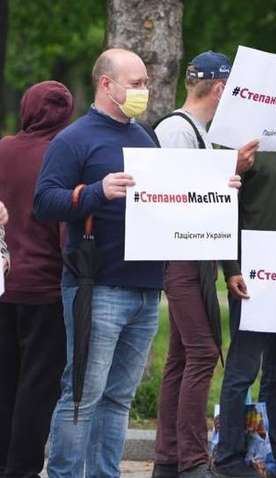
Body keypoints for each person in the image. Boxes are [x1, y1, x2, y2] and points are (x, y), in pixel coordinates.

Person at [34, 48, 238, 477]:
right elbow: (44, 202)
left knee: (117, 398)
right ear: (106, 84)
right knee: (83, 395)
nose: (144, 91)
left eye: (145, 82)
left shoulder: (144, 138)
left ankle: (105, 472)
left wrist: (218, 189)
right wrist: (94, 191)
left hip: (146, 288)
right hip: (97, 286)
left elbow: (175, 201)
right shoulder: (75, 139)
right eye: (136, 83)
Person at [153, 51, 258, 478]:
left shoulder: (196, 130)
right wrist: (226, 171)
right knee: (201, 354)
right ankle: (192, 461)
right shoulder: (176, 131)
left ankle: (168, 458)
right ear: (219, 89)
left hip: (196, 258)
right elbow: (168, 197)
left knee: (181, 358)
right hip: (180, 257)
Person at [211, 121, 276, 477]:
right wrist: (231, 267)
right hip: (252, 276)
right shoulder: (235, 143)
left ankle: (267, 456)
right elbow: (226, 208)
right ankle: (228, 458)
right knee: (243, 370)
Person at [0, 81, 72, 478]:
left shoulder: (3, 149)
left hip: (4, 281)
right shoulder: (61, 156)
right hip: (46, 288)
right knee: (38, 386)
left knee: (5, 380)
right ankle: (23, 469)